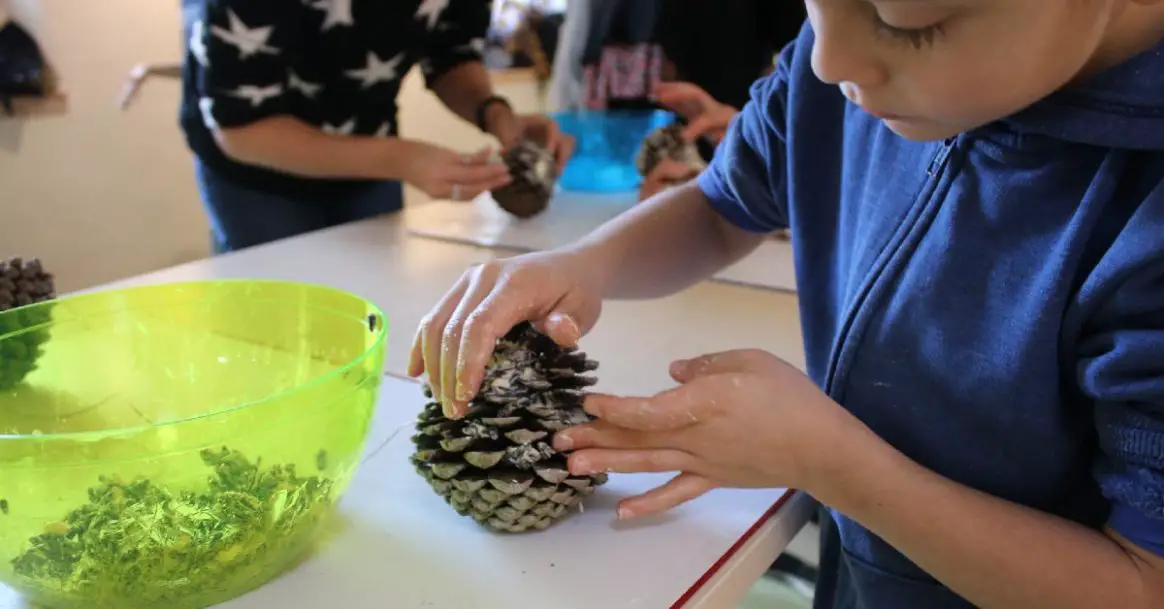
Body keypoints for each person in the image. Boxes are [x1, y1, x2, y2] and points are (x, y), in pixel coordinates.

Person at [408, 2, 1164, 608]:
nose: (829, 62)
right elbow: (722, 206)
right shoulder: (841, 61)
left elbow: (1142, 580)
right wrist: (587, 263)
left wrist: (831, 464)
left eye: (908, 22)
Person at [181, 0, 575, 253]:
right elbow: (241, 130)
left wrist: (494, 112)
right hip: (259, 177)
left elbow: (451, 52)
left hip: (370, 160)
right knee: (276, 329)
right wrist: (401, 158)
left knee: (371, 312)